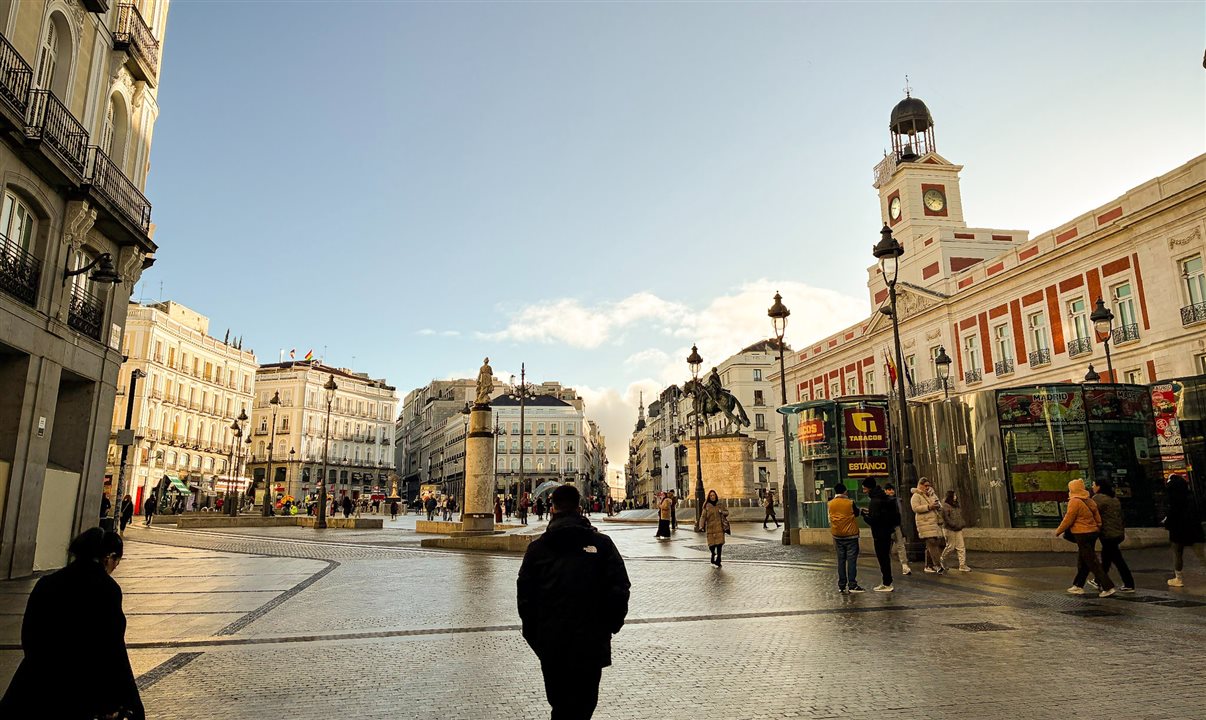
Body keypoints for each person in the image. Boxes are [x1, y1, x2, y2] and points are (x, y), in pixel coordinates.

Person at [0, 528, 144, 719]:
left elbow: (29, 635)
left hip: (37, 681)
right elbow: (112, 647)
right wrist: (131, 701)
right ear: (108, 558)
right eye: (117, 561)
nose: (115, 566)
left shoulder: (47, 583)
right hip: (81, 688)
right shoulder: (107, 589)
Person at [517, 484, 630, 720]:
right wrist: (609, 626)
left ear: (552, 508)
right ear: (580, 508)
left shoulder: (537, 549)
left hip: (551, 642)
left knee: (560, 705)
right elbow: (619, 588)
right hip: (591, 640)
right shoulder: (602, 544)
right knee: (585, 705)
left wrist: (535, 636)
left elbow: (525, 598)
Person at [1053, 479, 1116, 597]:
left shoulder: (1074, 502)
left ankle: (1107, 586)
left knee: (1091, 561)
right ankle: (1078, 585)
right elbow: (1097, 517)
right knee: (1083, 559)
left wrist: (1058, 531)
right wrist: (1097, 526)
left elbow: (1069, 518)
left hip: (1081, 534)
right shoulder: (1089, 500)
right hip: (1092, 532)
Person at [1087, 480, 1134, 592]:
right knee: (1109, 558)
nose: (1092, 487)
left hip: (1108, 534)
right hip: (1117, 533)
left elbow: (1090, 511)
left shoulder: (1098, 499)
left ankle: (1124, 583)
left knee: (1115, 559)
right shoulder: (1114, 499)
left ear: (1099, 487)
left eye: (1094, 485)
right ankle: (1100, 581)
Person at [1163, 474, 1205, 588]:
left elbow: (1171, 514)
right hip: (1194, 528)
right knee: (1201, 554)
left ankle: (1178, 578)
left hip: (1178, 529)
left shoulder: (1172, 499)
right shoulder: (1190, 497)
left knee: (1177, 553)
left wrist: (1166, 522)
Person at [860, 479, 898, 592]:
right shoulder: (883, 497)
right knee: (885, 557)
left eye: (864, 488)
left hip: (879, 533)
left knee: (883, 558)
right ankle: (887, 581)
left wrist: (864, 516)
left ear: (869, 488)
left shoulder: (874, 501)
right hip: (887, 531)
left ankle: (887, 582)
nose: (863, 491)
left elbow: (874, 520)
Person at [829, 484, 863, 593]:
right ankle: (852, 584)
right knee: (851, 560)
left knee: (841, 560)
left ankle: (841, 585)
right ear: (845, 491)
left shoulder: (830, 503)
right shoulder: (850, 502)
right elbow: (856, 513)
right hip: (851, 535)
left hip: (837, 535)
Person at [910, 478, 946, 575]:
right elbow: (915, 508)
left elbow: (939, 505)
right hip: (925, 523)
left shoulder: (931, 494)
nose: (927, 487)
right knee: (932, 543)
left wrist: (937, 505)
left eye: (928, 485)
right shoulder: (916, 496)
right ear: (920, 485)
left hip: (934, 523)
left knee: (936, 543)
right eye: (925, 485)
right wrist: (928, 507)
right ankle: (938, 565)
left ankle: (929, 565)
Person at [939, 491, 971, 572]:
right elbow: (946, 518)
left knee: (961, 547)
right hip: (949, 529)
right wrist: (954, 524)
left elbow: (959, 516)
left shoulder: (956, 505)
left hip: (958, 528)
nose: (955, 496)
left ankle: (962, 564)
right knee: (951, 546)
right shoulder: (945, 506)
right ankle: (942, 558)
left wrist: (961, 523)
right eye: (954, 495)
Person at [884, 484, 911, 575]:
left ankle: (904, 565)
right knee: (888, 547)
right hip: (887, 527)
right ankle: (886, 567)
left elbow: (901, 513)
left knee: (900, 545)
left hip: (896, 525)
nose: (891, 491)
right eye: (889, 489)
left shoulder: (897, 501)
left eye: (892, 489)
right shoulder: (884, 501)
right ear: (885, 491)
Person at [699, 489, 729, 567]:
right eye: (711, 495)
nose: (713, 497)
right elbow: (703, 517)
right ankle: (713, 554)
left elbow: (727, 512)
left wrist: (721, 512)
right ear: (709, 497)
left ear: (716, 496)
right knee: (711, 545)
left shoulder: (720, 504)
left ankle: (718, 559)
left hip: (719, 527)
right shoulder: (707, 506)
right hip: (711, 528)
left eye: (714, 495)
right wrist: (701, 526)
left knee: (719, 544)